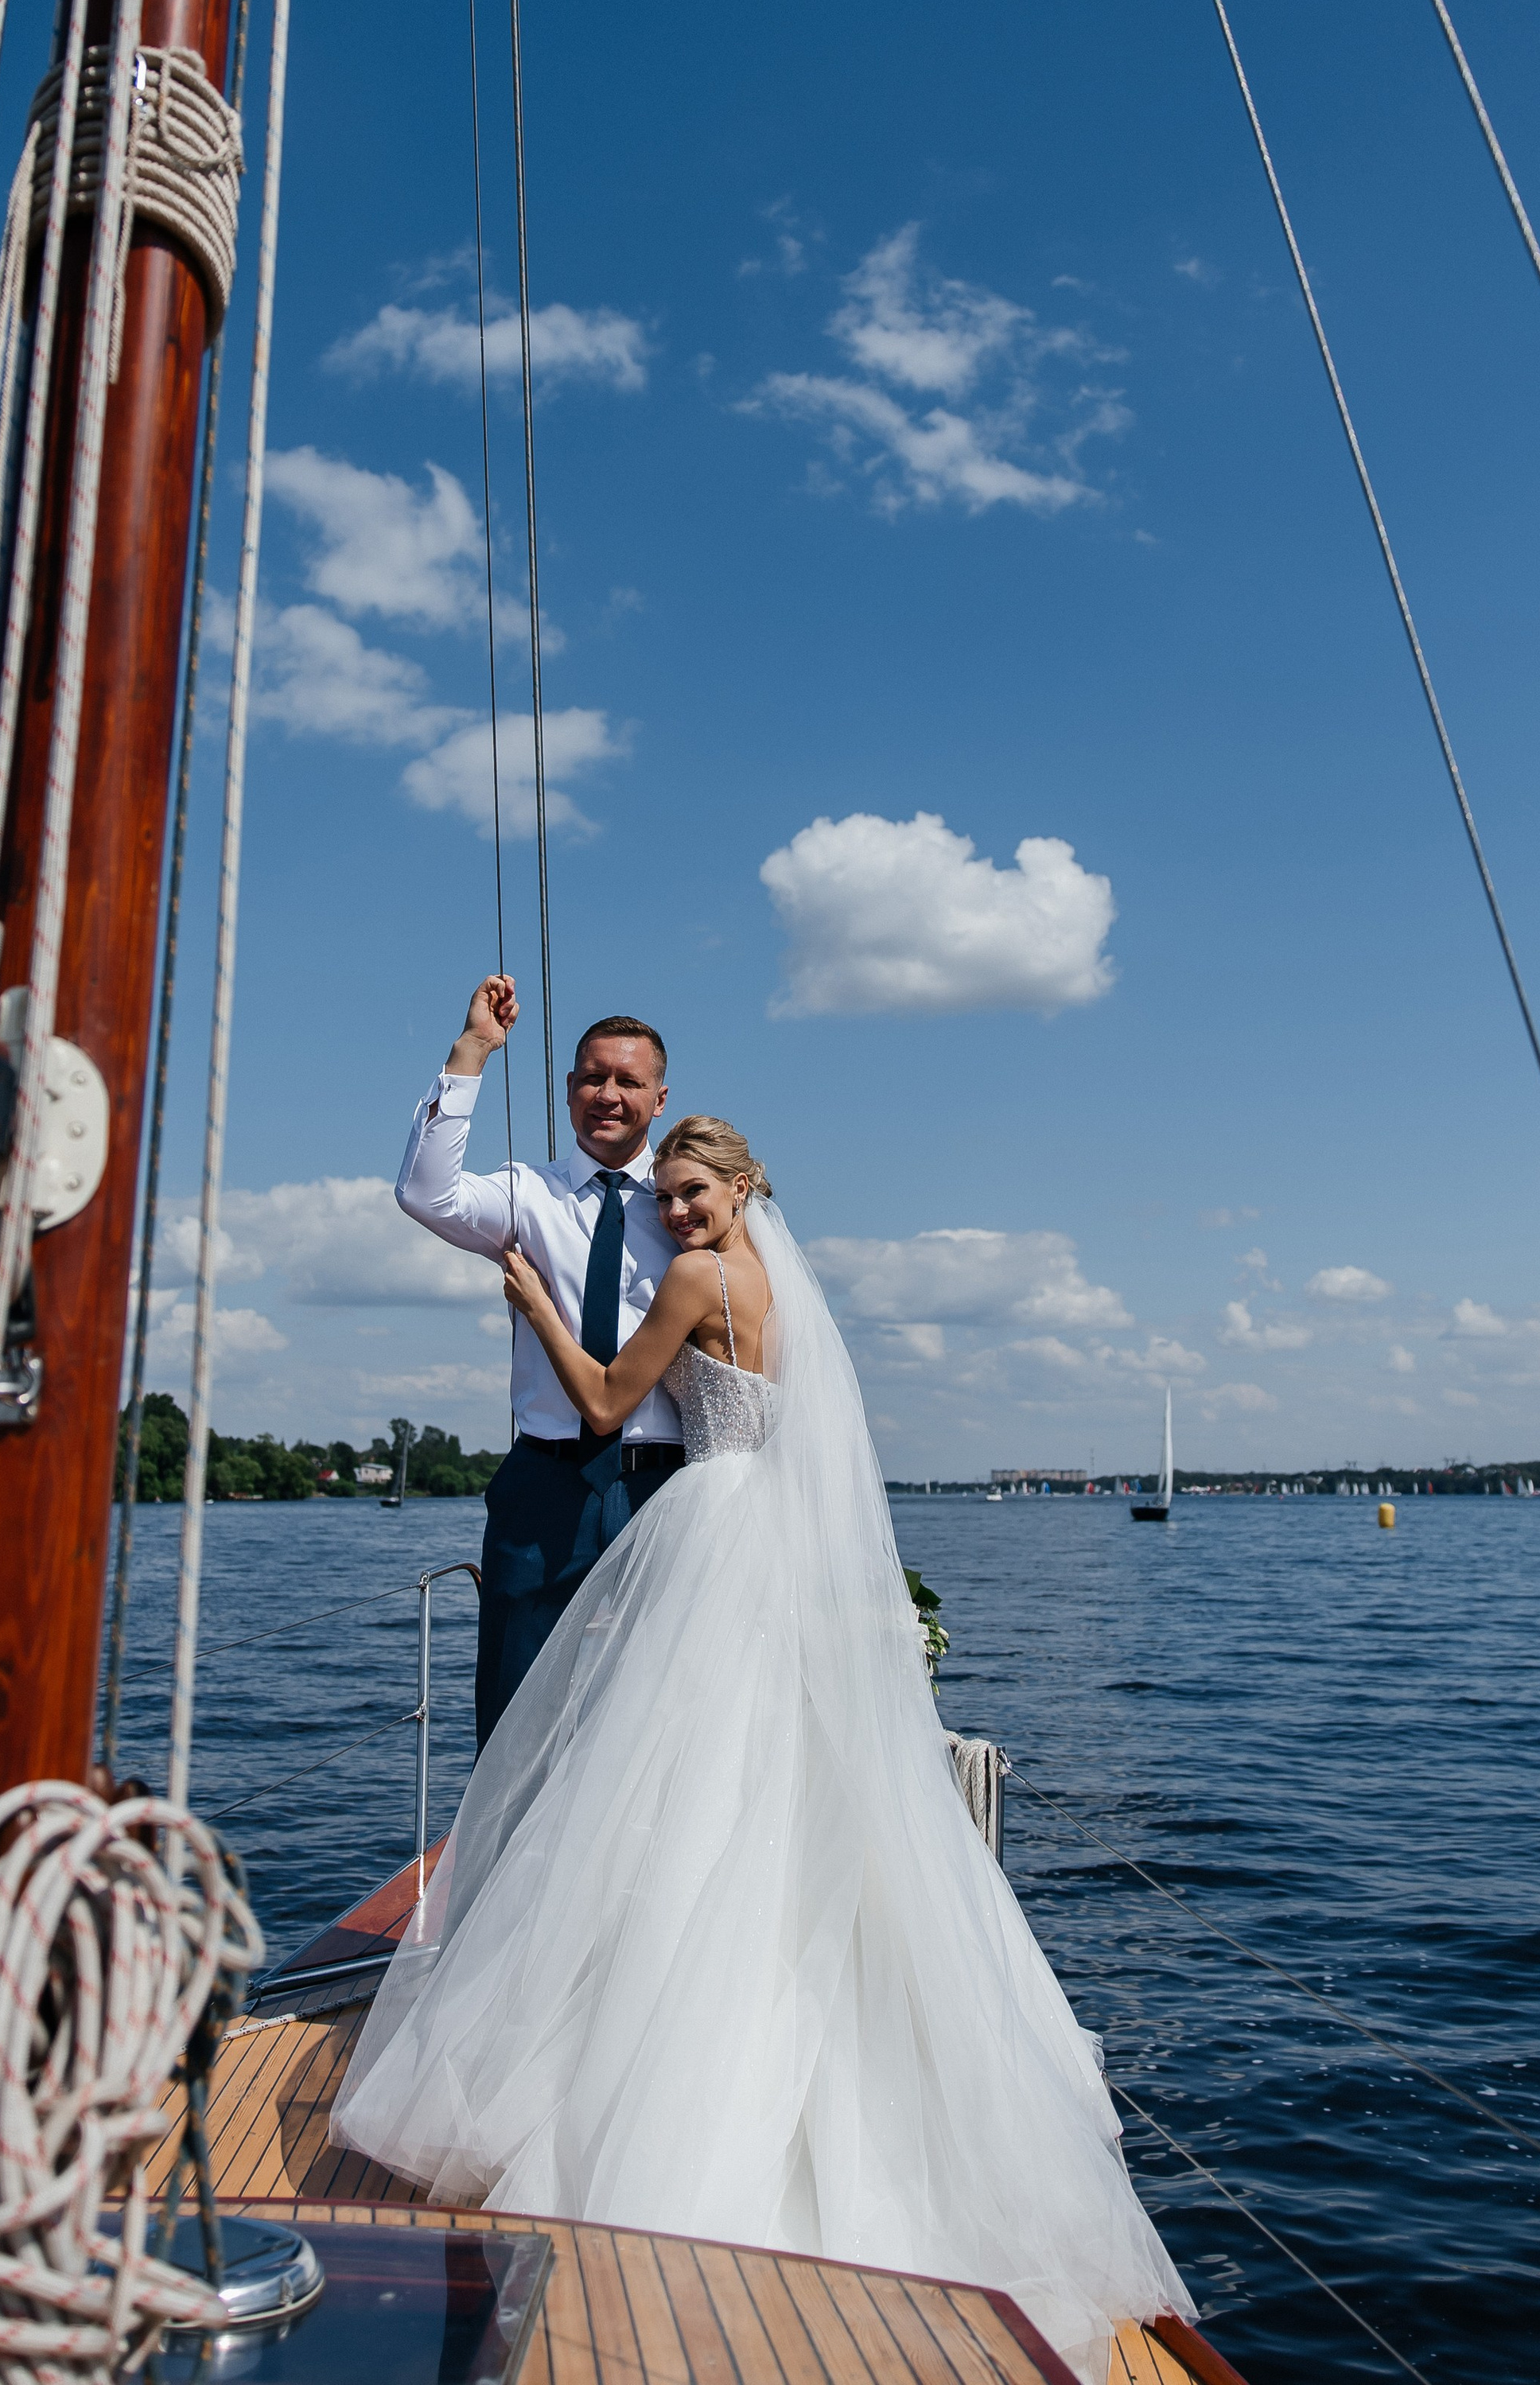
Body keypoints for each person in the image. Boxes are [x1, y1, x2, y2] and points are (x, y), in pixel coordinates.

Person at [336, 1119, 1192, 2368]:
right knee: (754, 1792)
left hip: (710, 1529)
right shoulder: (784, 1282)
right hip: (764, 1544)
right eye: (669, 1197)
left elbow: (603, 1401)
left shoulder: (695, 1279)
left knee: (663, 1788)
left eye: (693, 1192)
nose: (676, 1213)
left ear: (741, 1190)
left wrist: (529, 1298)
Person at [395, 977, 682, 1744]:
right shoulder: (530, 1192)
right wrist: (473, 1050)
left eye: (628, 1080)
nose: (608, 1094)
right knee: (516, 1713)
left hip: (668, 1485)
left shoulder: (689, 1205)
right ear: (567, 1091)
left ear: (660, 1097)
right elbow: (427, 1195)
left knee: (658, 1712)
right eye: (593, 1077)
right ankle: (505, 1863)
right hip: (546, 1484)